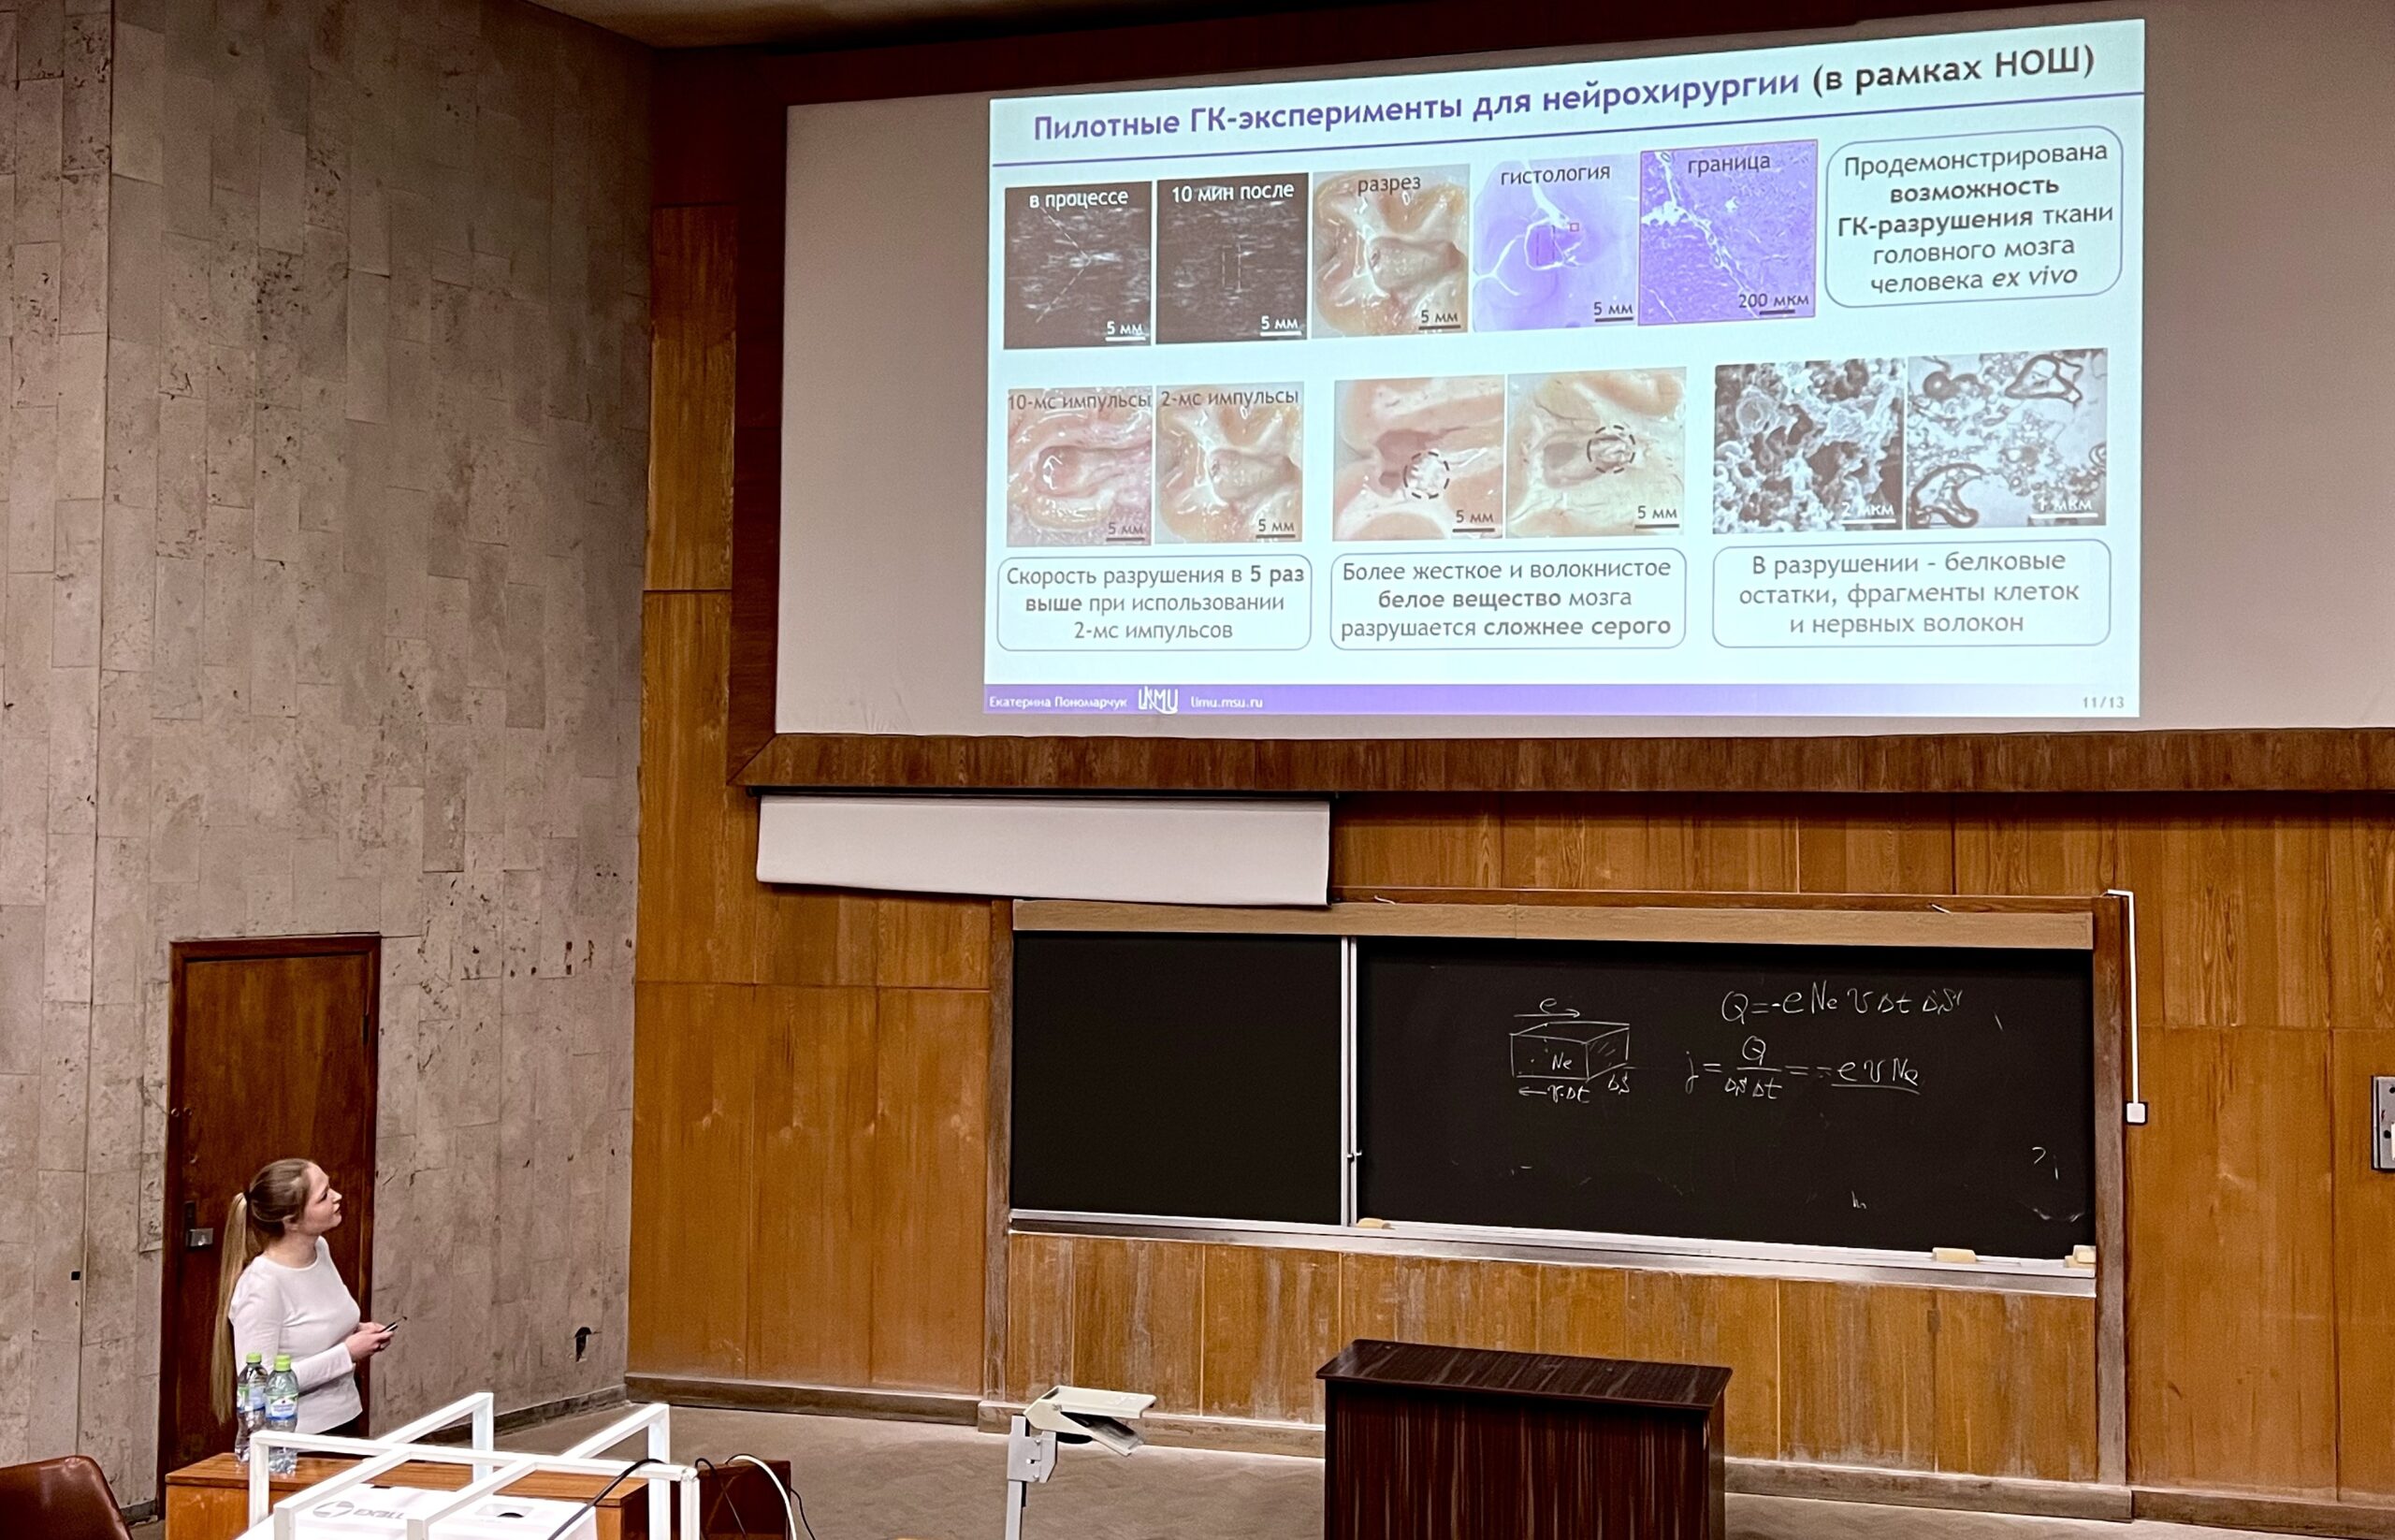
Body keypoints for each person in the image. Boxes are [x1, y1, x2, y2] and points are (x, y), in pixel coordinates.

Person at [212, 1157, 393, 1437]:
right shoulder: (261, 1286)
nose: (337, 1197)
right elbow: (260, 1385)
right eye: (323, 1196)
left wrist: (357, 1332)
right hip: (297, 1436)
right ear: (291, 1221)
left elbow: (313, 1327)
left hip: (347, 1417)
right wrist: (347, 1353)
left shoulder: (320, 1248)